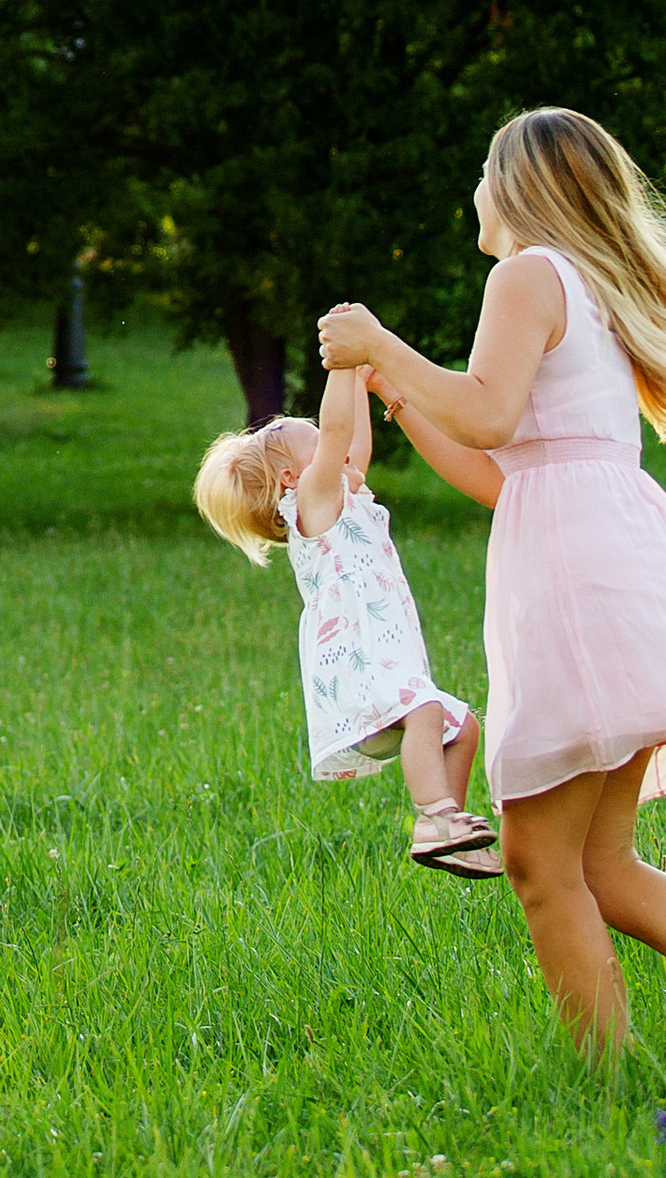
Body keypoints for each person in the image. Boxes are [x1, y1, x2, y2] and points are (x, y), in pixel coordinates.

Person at [317, 105, 666, 1058]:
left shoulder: (526, 273)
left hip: (573, 582)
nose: (475, 192)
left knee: (537, 863)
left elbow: (486, 414)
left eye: (485, 172)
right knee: (601, 860)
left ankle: (608, 1083)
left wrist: (378, 343)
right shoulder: (589, 289)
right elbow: (502, 474)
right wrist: (396, 390)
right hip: (608, 559)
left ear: (519, 186)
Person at [195, 352, 500, 874]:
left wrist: (360, 379)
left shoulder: (342, 495)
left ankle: (450, 836)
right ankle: (434, 815)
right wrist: (340, 362)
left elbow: (352, 442)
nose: (329, 442)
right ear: (293, 477)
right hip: (357, 671)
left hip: (386, 667)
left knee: (464, 725)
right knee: (427, 712)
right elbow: (338, 432)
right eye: (314, 443)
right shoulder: (313, 504)